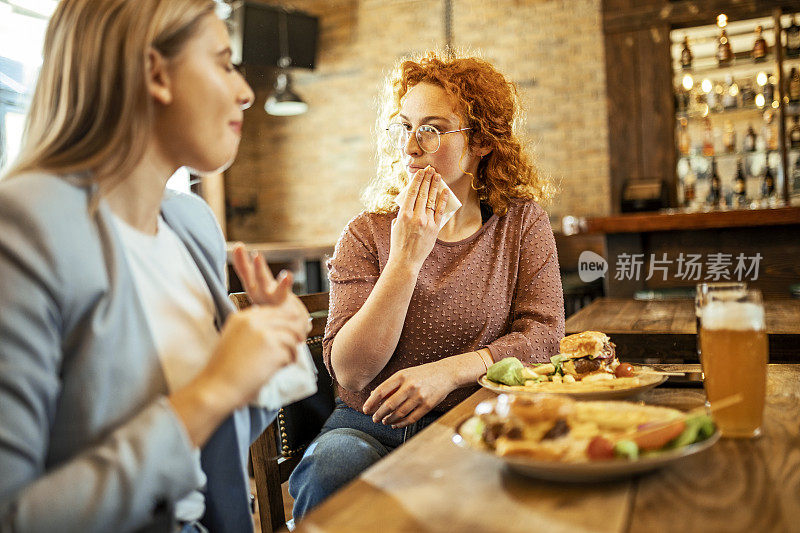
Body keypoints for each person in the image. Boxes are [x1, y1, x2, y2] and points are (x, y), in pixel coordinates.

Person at [0, 0, 310, 531]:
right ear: (155, 73)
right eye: (222, 62)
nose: (245, 90)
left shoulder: (192, 224)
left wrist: (270, 349)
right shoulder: (25, 225)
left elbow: (209, 442)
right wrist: (212, 388)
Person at [288, 51, 565, 519]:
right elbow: (351, 373)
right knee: (331, 466)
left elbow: (544, 337)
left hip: (480, 422)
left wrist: (450, 372)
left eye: (431, 128)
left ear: (479, 141)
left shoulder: (520, 224)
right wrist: (406, 258)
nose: (411, 146)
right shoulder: (367, 232)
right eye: (404, 127)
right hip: (368, 427)